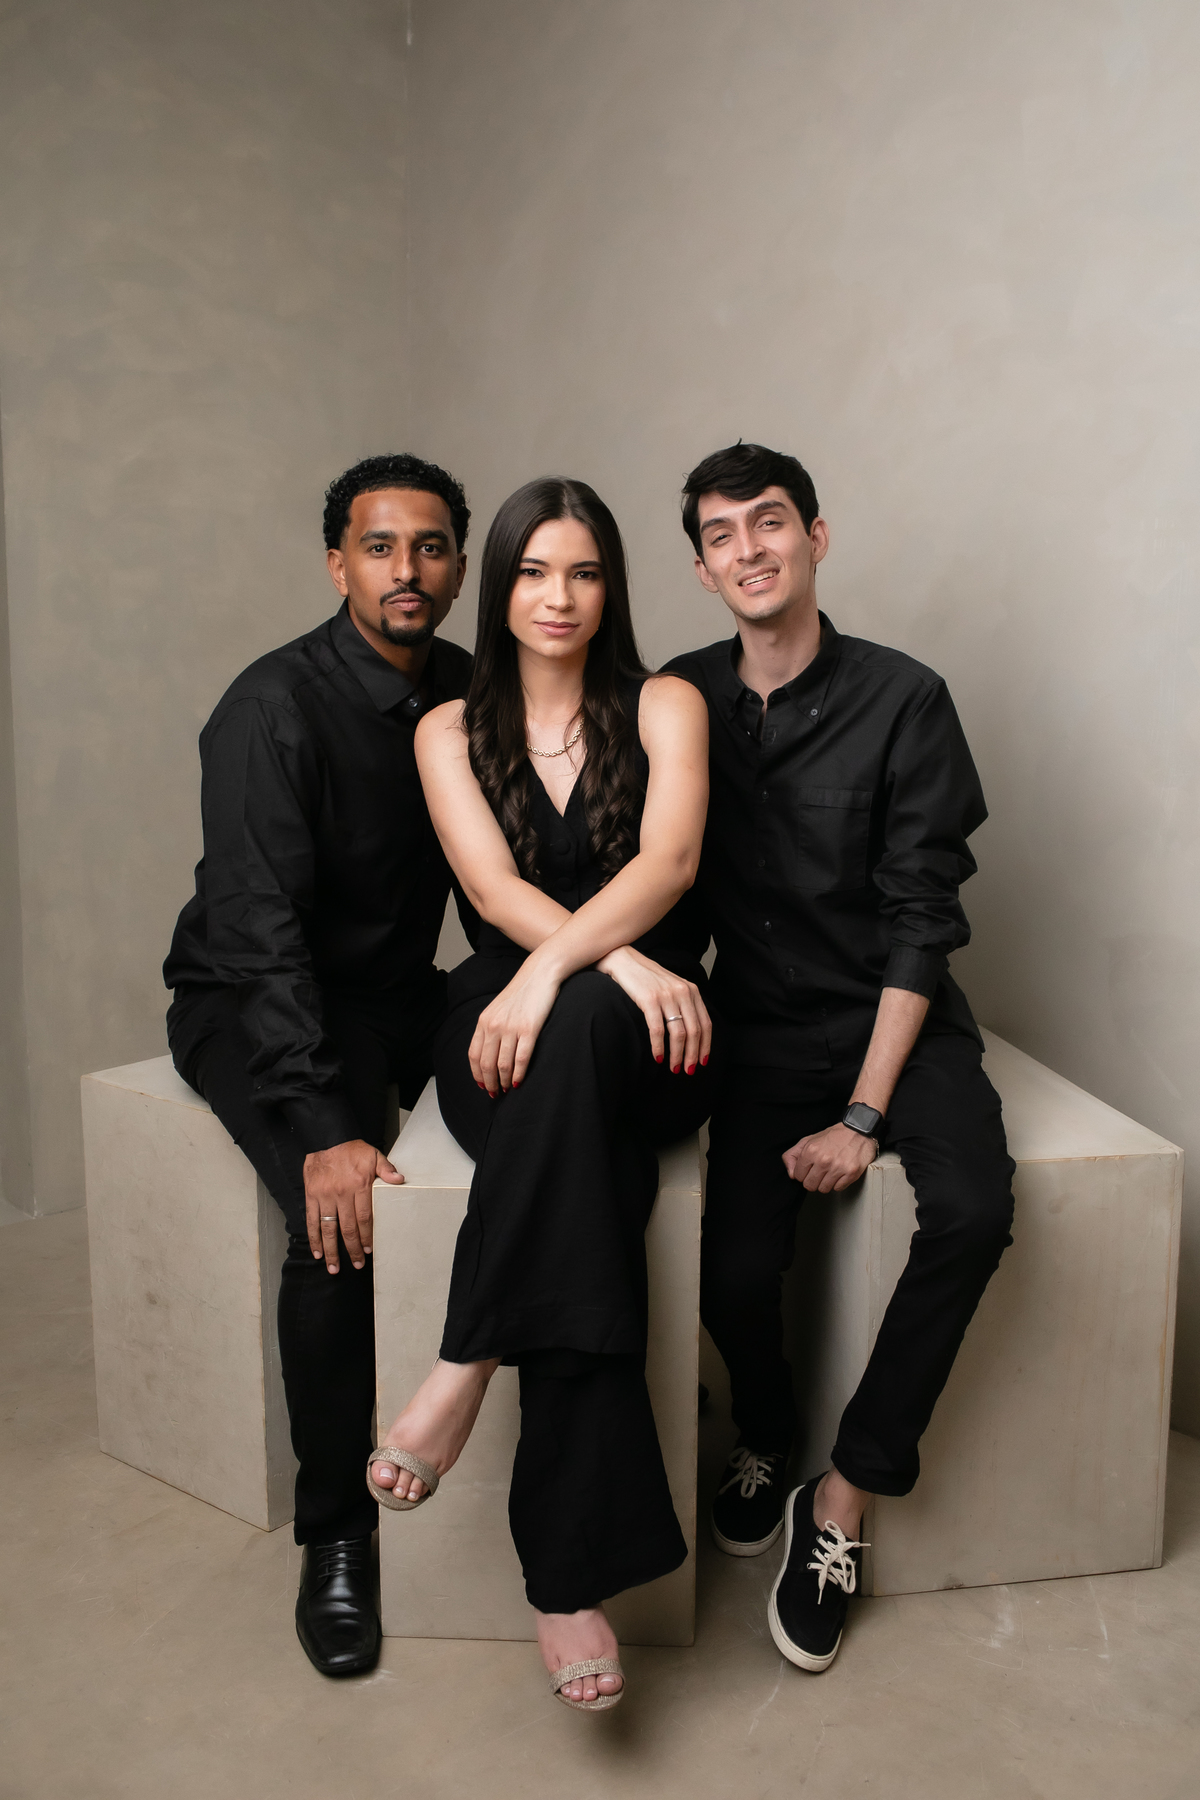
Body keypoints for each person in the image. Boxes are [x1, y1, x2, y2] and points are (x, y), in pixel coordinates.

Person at [365, 477, 719, 1711]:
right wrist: (598, 963)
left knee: (578, 1041)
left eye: (583, 571)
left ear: (610, 586)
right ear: (499, 588)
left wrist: (570, 973)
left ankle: (465, 1357)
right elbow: (491, 886)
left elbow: (670, 863)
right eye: (531, 571)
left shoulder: (666, 703)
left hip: (654, 1036)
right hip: (503, 1035)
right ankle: (567, 1582)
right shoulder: (445, 730)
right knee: (591, 1173)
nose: (557, 596)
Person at [665, 442, 1015, 1674]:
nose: (749, 549)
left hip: (896, 1021)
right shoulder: (679, 698)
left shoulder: (906, 698)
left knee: (973, 1210)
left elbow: (924, 918)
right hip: (755, 1028)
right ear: (702, 569)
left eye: (770, 522)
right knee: (729, 1278)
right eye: (721, 534)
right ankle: (763, 1432)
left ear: (816, 537)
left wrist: (864, 1115)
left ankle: (844, 1495)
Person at [164, 453, 476, 1678]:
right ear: (337, 563)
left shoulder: (469, 689)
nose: (408, 569)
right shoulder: (271, 707)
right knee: (334, 1225)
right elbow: (257, 931)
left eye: (431, 546)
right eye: (380, 546)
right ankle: (338, 1532)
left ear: (458, 565)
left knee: (566, 1097)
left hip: (396, 993)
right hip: (254, 1002)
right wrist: (321, 1124)